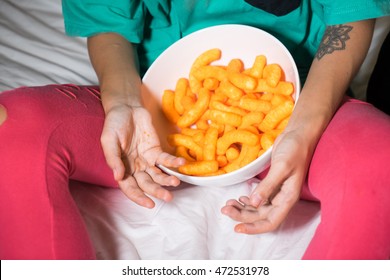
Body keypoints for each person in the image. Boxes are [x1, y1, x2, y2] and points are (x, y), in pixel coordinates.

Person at [0, 0, 389, 259]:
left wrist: (303, 129)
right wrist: (124, 102)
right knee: (12, 126)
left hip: (301, 107)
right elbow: (108, 20)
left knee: (381, 160)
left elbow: (349, 14)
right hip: (151, 116)